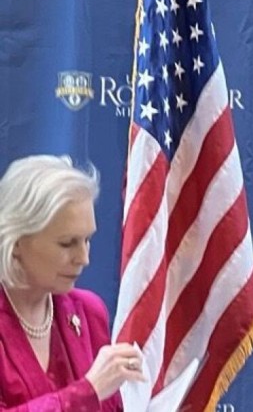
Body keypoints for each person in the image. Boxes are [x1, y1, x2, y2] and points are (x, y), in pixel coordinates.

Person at [0, 155, 145, 411]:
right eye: (67, 243)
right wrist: (88, 391)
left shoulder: (88, 311)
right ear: (17, 241)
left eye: (87, 240)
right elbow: (93, 392)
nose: (84, 258)